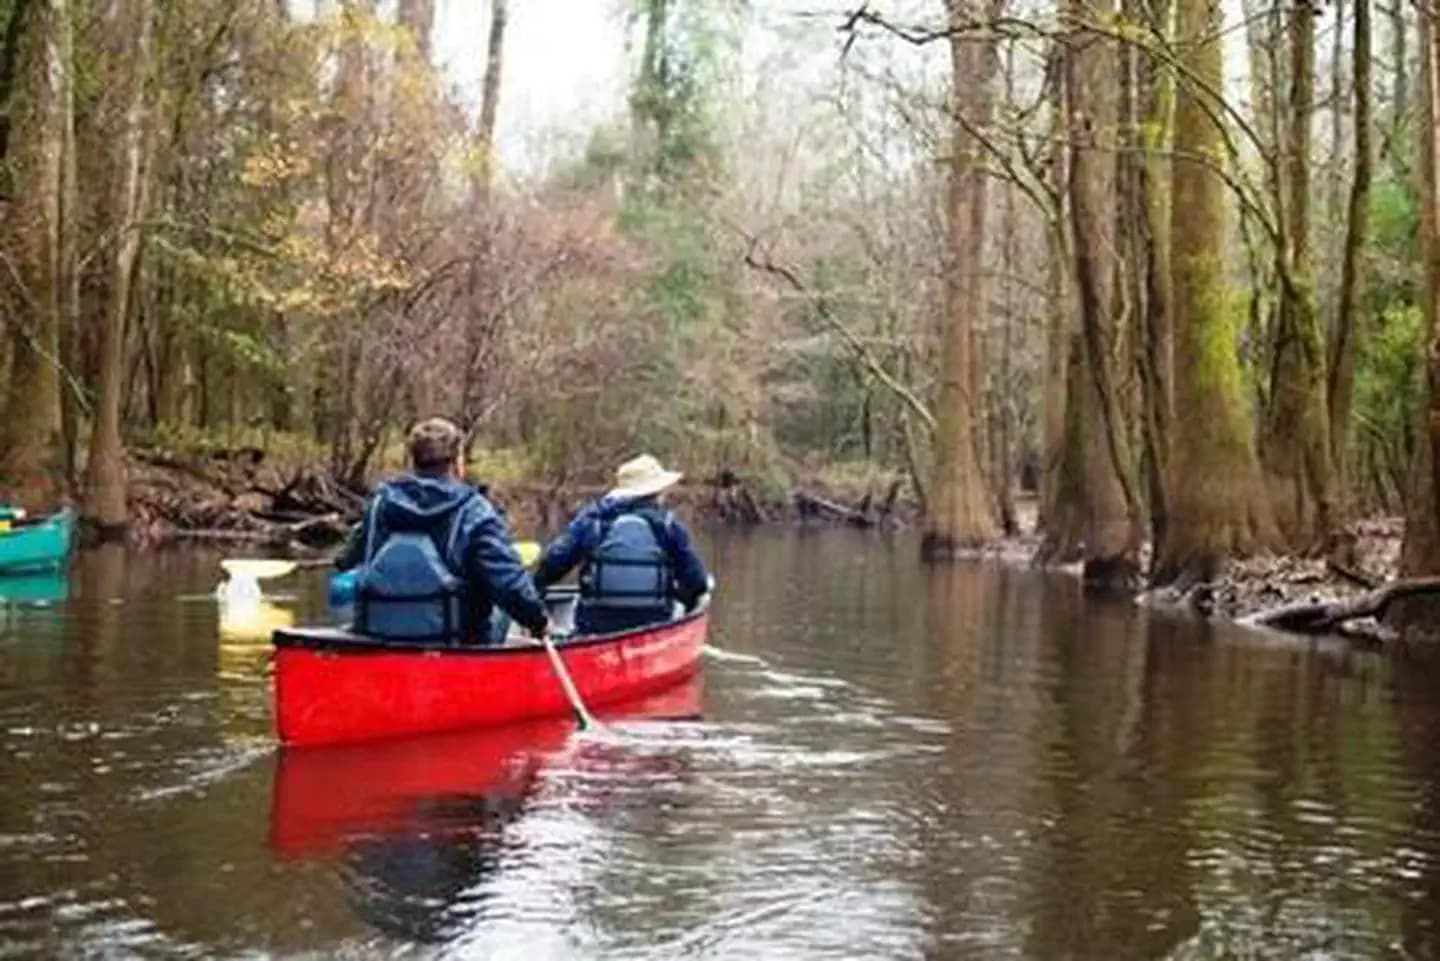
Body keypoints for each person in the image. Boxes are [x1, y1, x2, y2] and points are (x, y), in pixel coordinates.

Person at [335, 418, 547, 645]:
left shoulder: (379, 506)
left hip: (380, 639)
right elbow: (509, 586)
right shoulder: (475, 511)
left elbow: (345, 561)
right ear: (457, 461)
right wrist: (539, 622)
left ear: (413, 460)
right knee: (501, 605)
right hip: (458, 646)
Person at [533, 454, 710, 636]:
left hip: (594, 627)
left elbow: (552, 565)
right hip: (655, 622)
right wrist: (684, 598)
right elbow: (697, 583)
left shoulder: (592, 520)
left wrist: (533, 593)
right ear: (657, 493)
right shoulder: (669, 526)